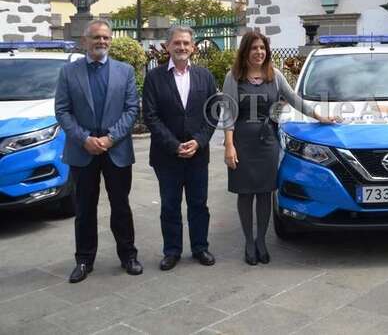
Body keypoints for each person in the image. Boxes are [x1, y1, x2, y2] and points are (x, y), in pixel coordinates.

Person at [221, 30, 337, 265]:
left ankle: (261, 241)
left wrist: (319, 116)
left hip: (267, 143)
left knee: (265, 193)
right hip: (242, 142)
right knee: (245, 194)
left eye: (262, 48)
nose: (259, 52)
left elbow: (294, 100)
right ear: (245, 51)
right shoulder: (233, 77)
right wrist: (229, 146)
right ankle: (248, 242)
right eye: (254, 48)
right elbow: (228, 114)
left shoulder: (274, 75)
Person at [54, 19, 142, 283]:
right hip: (83, 151)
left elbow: (131, 109)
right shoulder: (68, 73)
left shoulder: (124, 71)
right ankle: (83, 260)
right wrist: (85, 139)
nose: (101, 42)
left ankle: (128, 255)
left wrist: (110, 138)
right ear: (85, 41)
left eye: (106, 37)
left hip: (116, 151)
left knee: (121, 206)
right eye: (96, 38)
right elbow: (62, 110)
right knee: (84, 208)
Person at [142, 26, 218, 271]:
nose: (182, 47)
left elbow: (212, 114)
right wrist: (175, 146)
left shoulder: (205, 76)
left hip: (198, 154)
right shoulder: (154, 78)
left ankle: (200, 247)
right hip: (167, 157)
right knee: (170, 205)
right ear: (168, 47)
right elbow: (151, 117)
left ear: (193, 47)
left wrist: (199, 141)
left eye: (186, 43)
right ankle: (172, 250)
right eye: (177, 43)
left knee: (199, 204)